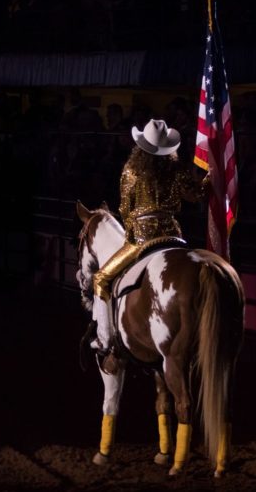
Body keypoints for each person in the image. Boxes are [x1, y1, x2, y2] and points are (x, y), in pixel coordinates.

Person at [91, 119, 209, 370]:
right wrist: (210, 178)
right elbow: (197, 195)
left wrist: (131, 233)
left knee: (101, 279)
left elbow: (125, 208)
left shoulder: (131, 170)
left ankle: (106, 341)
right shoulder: (176, 170)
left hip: (142, 238)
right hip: (173, 235)